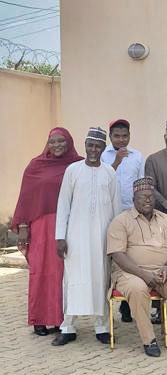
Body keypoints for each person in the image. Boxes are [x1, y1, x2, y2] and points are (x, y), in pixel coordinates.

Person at [50, 127, 120, 346]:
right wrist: (60, 236)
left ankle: (102, 326)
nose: (93, 149)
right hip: (75, 237)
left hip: (101, 237)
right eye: (90, 145)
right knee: (72, 279)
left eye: (98, 146)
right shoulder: (72, 170)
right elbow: (63, 205)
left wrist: (116, 241)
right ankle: (68, 327)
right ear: (85, 145)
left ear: (103, 148)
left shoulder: (109, 172)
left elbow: (116, 208)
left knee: (101, 280)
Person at [106, 180, 167, 356]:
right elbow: (118, 255)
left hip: (162, 270)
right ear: (133, 199)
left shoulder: (166, 219)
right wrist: (144, 274)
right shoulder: (120, 221)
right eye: (142, 197)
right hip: (130, 272)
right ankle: (149, 339)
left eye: (151, 196)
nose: (147, 200)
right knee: (137, 289)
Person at [13, 127, 82, 336]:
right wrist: (24, 226)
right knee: (41, 272)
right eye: (53, 142)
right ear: (47, 143)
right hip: (42, 227)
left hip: (69, 226)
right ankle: (40, 319)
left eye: (61, 141)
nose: (57, 145)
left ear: (69, 142)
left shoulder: (78, 164)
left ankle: (61, 320)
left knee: (63, 274)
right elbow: (26, 197)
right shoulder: (36, 165)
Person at [102, 119, 145, 212]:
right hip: (108, 208)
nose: (121, 140)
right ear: (110, 136)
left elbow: (141, 183)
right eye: (117, 136)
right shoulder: (102, 154)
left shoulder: (137, 156)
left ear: (129, 136)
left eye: (125, 136)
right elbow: (101, 181)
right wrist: (116, 162)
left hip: (132, 209)